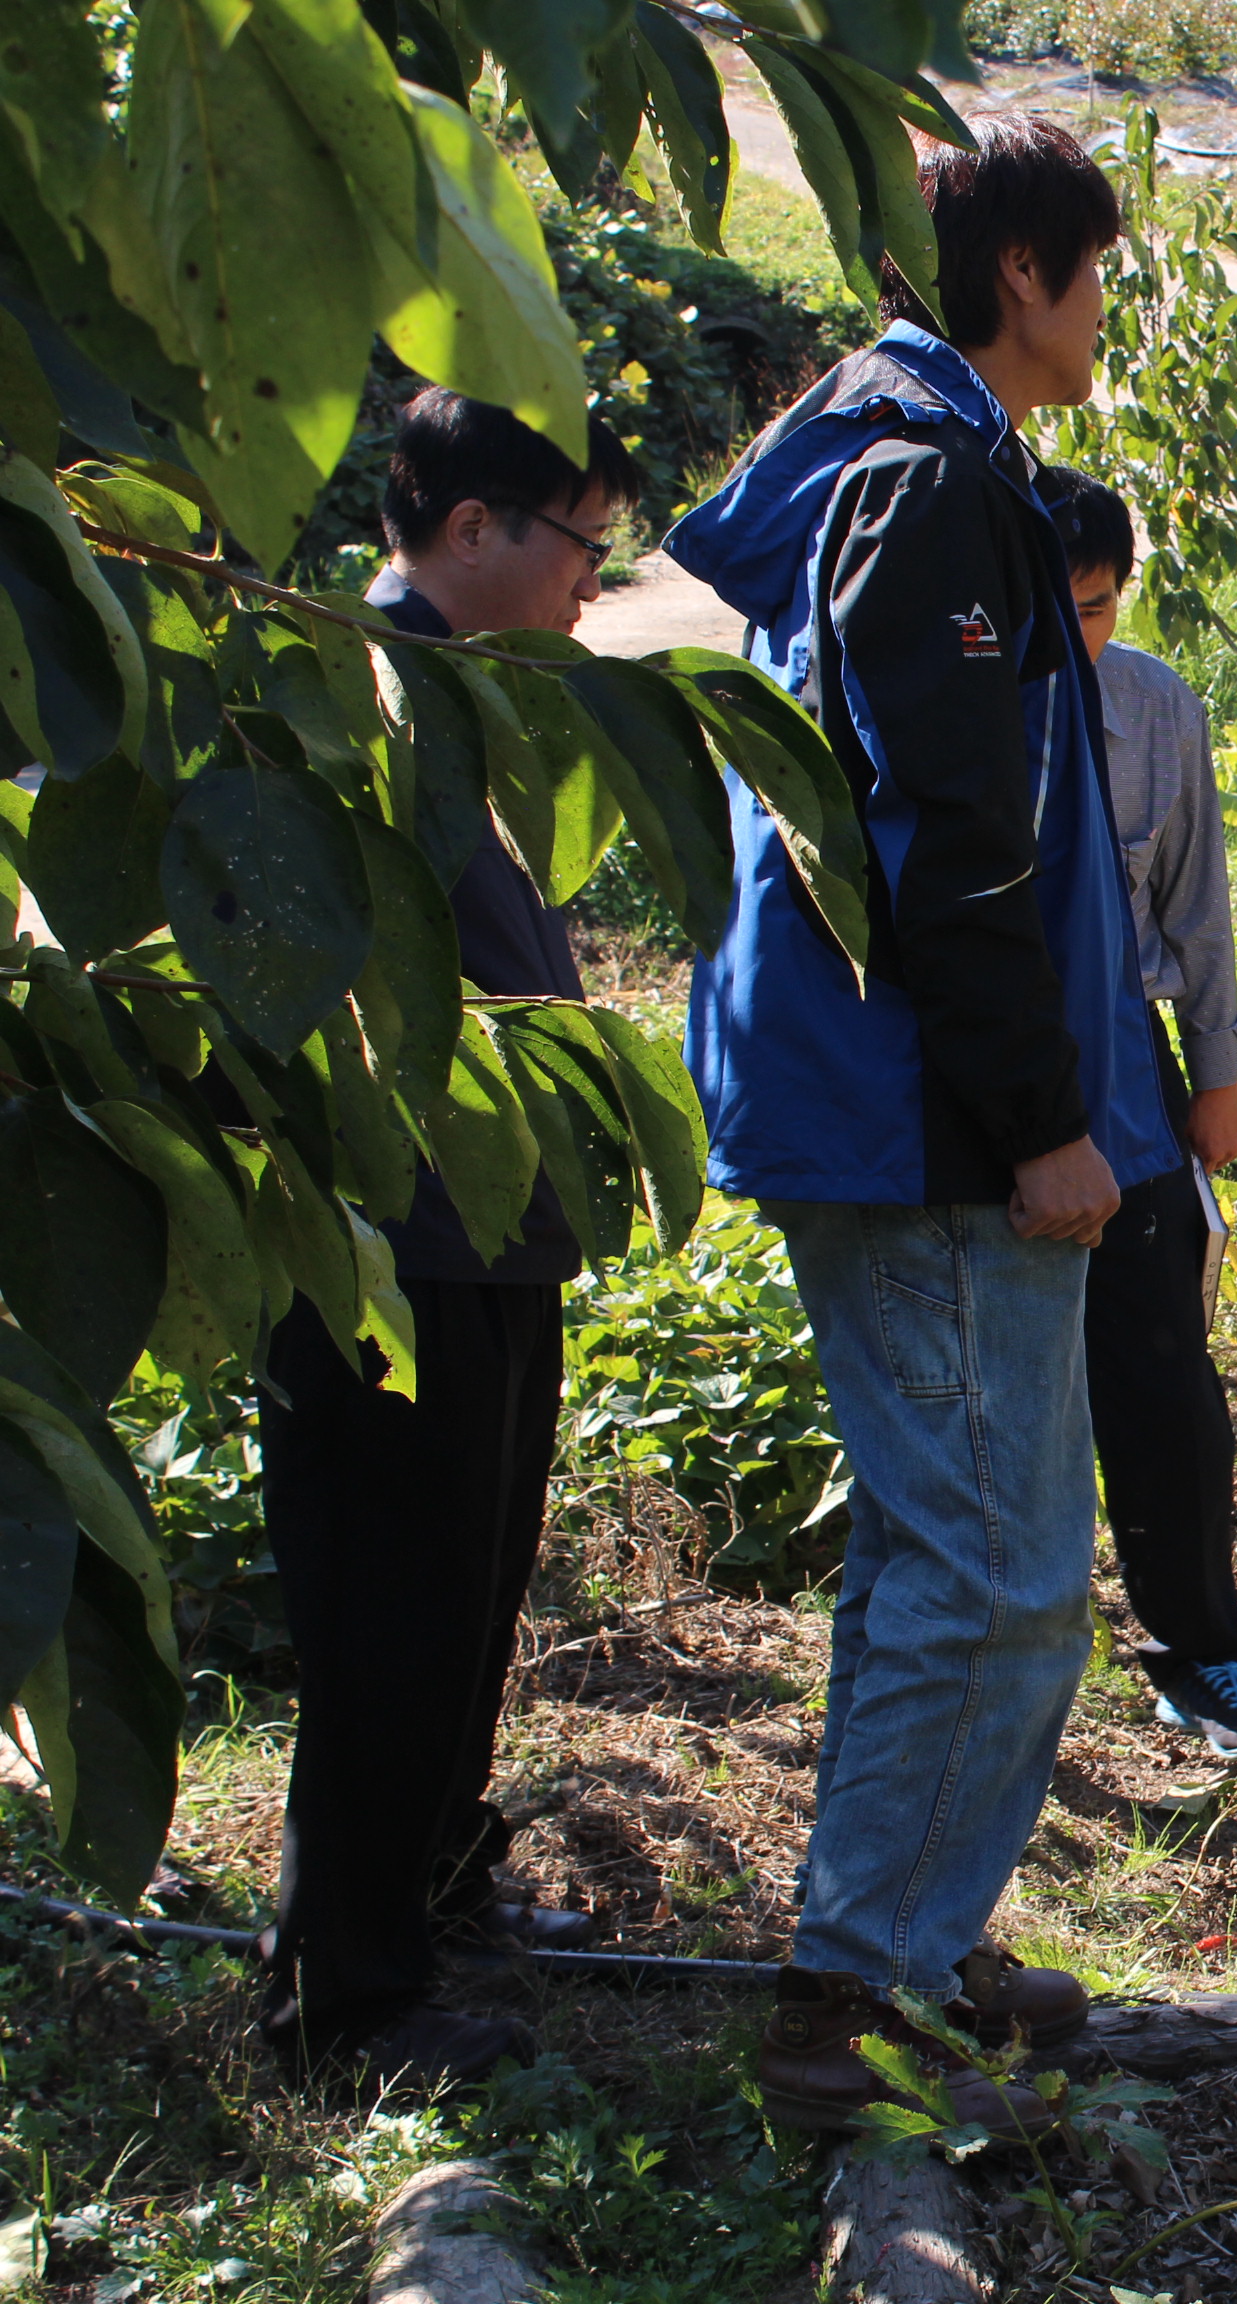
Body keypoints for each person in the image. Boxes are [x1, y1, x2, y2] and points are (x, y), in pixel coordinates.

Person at [663, 113, 1178, 2135]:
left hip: (893, 1103)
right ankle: (853, 2001)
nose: (1105, 310)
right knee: (999, 1572)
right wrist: (1045, 1120)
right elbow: (945, 833)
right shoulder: (927, 480)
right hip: (924, 1121)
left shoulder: (917, 469)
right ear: (1022, 277)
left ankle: (907, 1930)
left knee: (937, 1554)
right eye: (1099, 270)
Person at [255, 388, 642, 2093]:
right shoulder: (350, 694)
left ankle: (426, 1894)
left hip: (489, 1232)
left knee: (466, 1585)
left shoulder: (471, 701)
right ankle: (344, 2000)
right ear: (471, 525)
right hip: (390, 1234)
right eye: (576, 545)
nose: (589, 585)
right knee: (389, 1601)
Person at [1032, 464, 1237, 1758]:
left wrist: (1217, 1071)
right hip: (998, 1090)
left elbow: (1197, 905)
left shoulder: (1153, 709)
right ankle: (1016, 1663)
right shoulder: (958, 711)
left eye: (1092, 607)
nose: (1069, 635)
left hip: (1129, 1083)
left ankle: (1203, 1655)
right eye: (1044, 604)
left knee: (1168, 1389)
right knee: (1013, 1397)